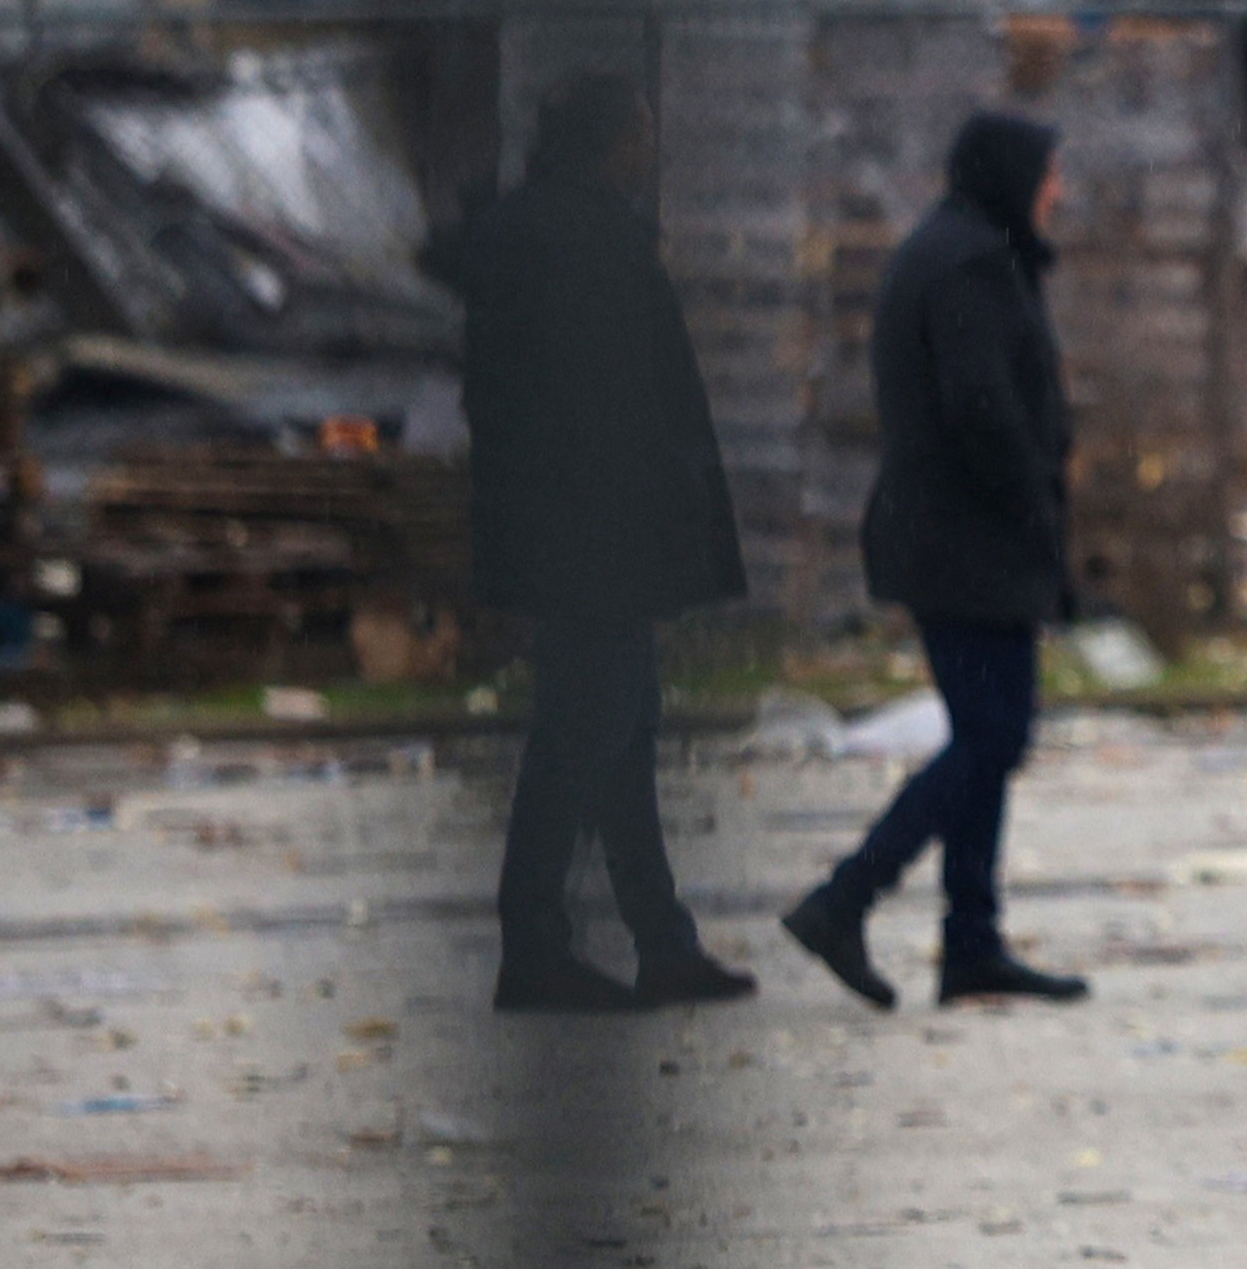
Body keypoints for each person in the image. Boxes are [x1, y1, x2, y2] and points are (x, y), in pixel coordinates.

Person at [424, 76, 758, 1015]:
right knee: (583, 735)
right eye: (640, 132)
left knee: (622, 734)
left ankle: (660, 940)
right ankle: (534, 943)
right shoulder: (581, 243)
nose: (650, 148)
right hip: (594, 534)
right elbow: (613, 406)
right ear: (609, 141)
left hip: (575, 530)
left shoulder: (547, 233)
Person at [782, 110, 1086, 1011]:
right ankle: (845, 898)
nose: (1059, 191)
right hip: (968, 543)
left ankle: (971, 945)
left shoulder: (961, 250)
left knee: (985, 740)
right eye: (1049, 173)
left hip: (958, 538)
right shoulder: (970, 266)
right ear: (1013, 176)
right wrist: (1034, 503)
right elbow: (983, 412)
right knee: (993, 738)